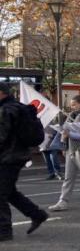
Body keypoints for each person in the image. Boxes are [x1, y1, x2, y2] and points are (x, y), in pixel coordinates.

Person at [0, 83, 49, 241]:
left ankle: (4, 230)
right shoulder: (16, 107)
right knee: (8, 191)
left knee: (1, 193)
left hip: (8, 157)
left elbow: (2, 136)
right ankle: (37, 214)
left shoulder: (6, 110)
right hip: (15, 155)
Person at [48, 95, 80, 212]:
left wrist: (68, 134)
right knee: (68, 177)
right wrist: (64, 145)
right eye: (71, 105)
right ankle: (63, 201)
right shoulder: (72, 116)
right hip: (71, 149)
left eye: (74, 104)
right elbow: (66, 132)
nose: (72, 107)